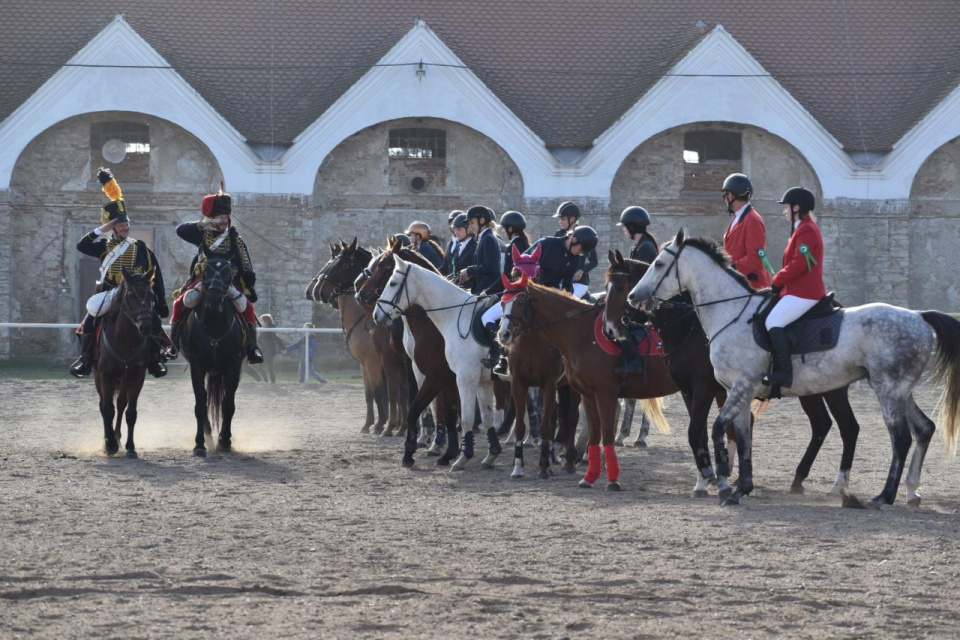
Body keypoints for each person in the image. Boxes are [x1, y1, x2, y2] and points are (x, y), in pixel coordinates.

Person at [70, 167, 172, 378]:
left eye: (126, 224)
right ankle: (85, 359)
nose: (125, 227)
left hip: (134, 292)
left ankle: (154, 359)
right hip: (110, 292)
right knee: (89, 320)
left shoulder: (140, 247)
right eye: (121, 224)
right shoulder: (103, 246)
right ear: (113, 227)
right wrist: (102, 229)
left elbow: (156, 274)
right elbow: (81, 245)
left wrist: (161, 301)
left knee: (151, 318)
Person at [170, 184, 263, 364]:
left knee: (248, 308)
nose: (223, 220)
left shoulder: (235, 238)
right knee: (180, 303)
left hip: (228, 282)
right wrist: (203, 224)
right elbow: (180, 231)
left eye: (225, 216)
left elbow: (246, 264)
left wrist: (247, 285)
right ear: (211, 217)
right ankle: (173, 346)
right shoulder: (202, 235)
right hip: (203, 281)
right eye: (219, 217)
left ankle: (253, 348)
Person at [764, 187, 825, 388]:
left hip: (805, 291)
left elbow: (800, 263)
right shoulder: (801, 227)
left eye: (787, 207)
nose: (785, 211)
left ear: (797, 207)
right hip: (795, 289)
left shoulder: (806, 229)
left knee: (773, 322)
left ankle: (784, 373)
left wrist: (777, 280)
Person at [613, 206, 659, 375]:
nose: (624, 230)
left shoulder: (646, 248)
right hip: (636, 297)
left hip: (645, 300)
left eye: (625, 227)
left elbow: (643, 280)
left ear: (632, 227)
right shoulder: (638, 246)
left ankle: (634, 361)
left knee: (621, 324)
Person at [721, 173, 774, 289]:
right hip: (736, 283)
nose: (725, 199)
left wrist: (732, 270)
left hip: (752, 286)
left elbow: (755, 257)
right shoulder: (737, 218)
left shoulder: (753, 219)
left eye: (725, 195)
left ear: (730, 195)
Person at [553, 201, 598, 299]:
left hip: (579, 283)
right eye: (560, 219)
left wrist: (581, 271)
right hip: (562, 282)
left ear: (572, 218)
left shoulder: (585, 235)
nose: (560, 221)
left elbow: (594, 261)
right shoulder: (558, 235)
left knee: (565, 302)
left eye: (563, 219)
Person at [441, 213, 475, 280]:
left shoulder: (475, 246)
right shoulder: (458, 246)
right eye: (455, 229)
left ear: (468, 229)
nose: (456, 232)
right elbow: (452, 269)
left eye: (459, 229)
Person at [256, 313, 287, 383]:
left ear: (265, 321)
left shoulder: (270, 329)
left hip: (270, 351)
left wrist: (283, 348)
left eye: (261, 320)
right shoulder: (263, 329)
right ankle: (271, 381)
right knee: (268, 367)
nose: (259, 321)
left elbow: (276, 338)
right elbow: (260, 340)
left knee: (262, 367)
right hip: (265, 351)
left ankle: (267, 381)